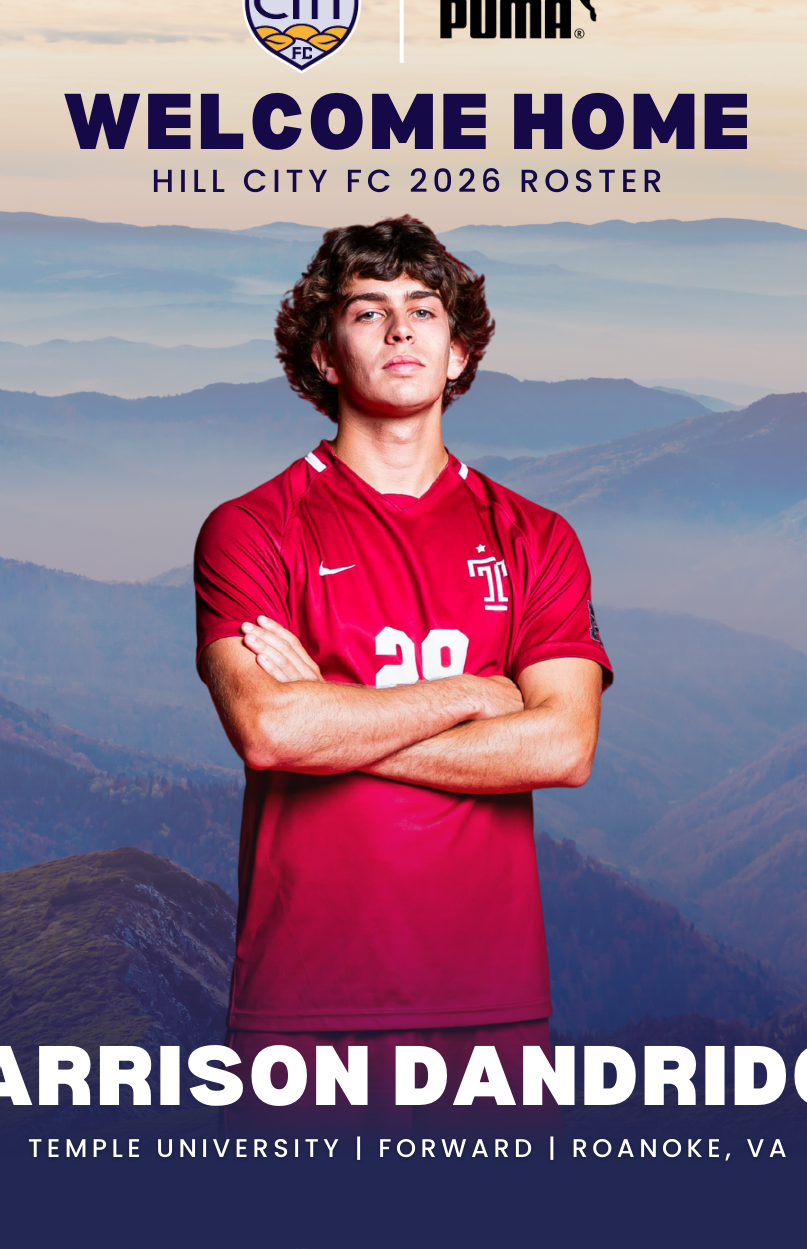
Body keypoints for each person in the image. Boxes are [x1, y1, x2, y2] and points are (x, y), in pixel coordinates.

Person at [194, 215, 612, 1130]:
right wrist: (470, 695)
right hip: (304, 1007)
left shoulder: (538, 539)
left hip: (491, 1004)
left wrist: (334, 721)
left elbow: (564, 744)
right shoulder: (253, 529)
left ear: (458, 354)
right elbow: (271, 730)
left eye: (425, 311)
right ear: (324, 357)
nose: (400, 331)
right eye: (369, 311)